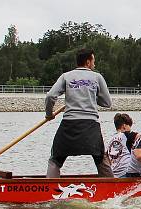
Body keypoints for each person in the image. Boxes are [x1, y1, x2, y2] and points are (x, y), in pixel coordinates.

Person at [44, 48, 113, 178]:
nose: (94, 64)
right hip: (90, 125)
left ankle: (50, 187)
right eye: (93, 61)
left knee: (55, 160)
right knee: (101, 158)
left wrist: (49, 114)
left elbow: (50, 96)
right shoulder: (97, 77)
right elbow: (107, 103)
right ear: (88, 62)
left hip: (69, 124)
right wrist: (91, 96)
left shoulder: (66, 76)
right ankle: (112, 187)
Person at [106, 113, 138, 178]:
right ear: (124, 126)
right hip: (126, 173)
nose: (130, 130)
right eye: (129, 126)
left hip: (114, 174)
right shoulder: (128, 135)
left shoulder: (109, 140)